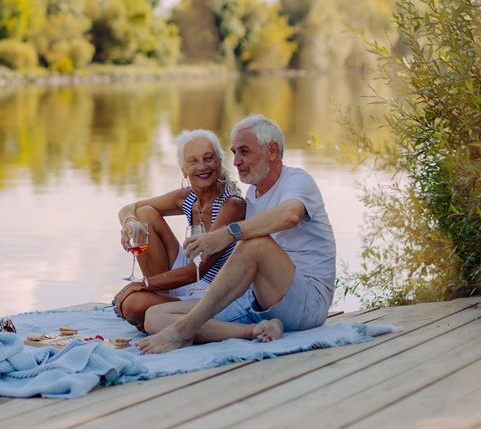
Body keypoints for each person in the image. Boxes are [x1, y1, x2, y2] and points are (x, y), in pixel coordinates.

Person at [136, 114, 336, 353]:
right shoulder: (253, 195)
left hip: (306, 304)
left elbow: (289, 215)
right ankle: (253, 331)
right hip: (260, 301)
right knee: (154, 317)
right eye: (234, 153)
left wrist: (227, 234)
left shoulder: (297, 180)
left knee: (256, 244)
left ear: (272, 150)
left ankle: (182, 331)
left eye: (244, 151)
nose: (237, 161)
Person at [113, 129, 246, 330]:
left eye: (208, 158)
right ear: (183, 170)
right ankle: (161, 303)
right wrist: (130, 222)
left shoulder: (232, 204)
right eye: (193, 161)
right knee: (145, 214)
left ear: (219, 162)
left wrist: (142, 284)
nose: (202, 166)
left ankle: (159, 310)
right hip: (186, 277)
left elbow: (198, 271)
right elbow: (129, 208)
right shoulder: (189, 196)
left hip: (210, 288)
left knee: (133, 306)